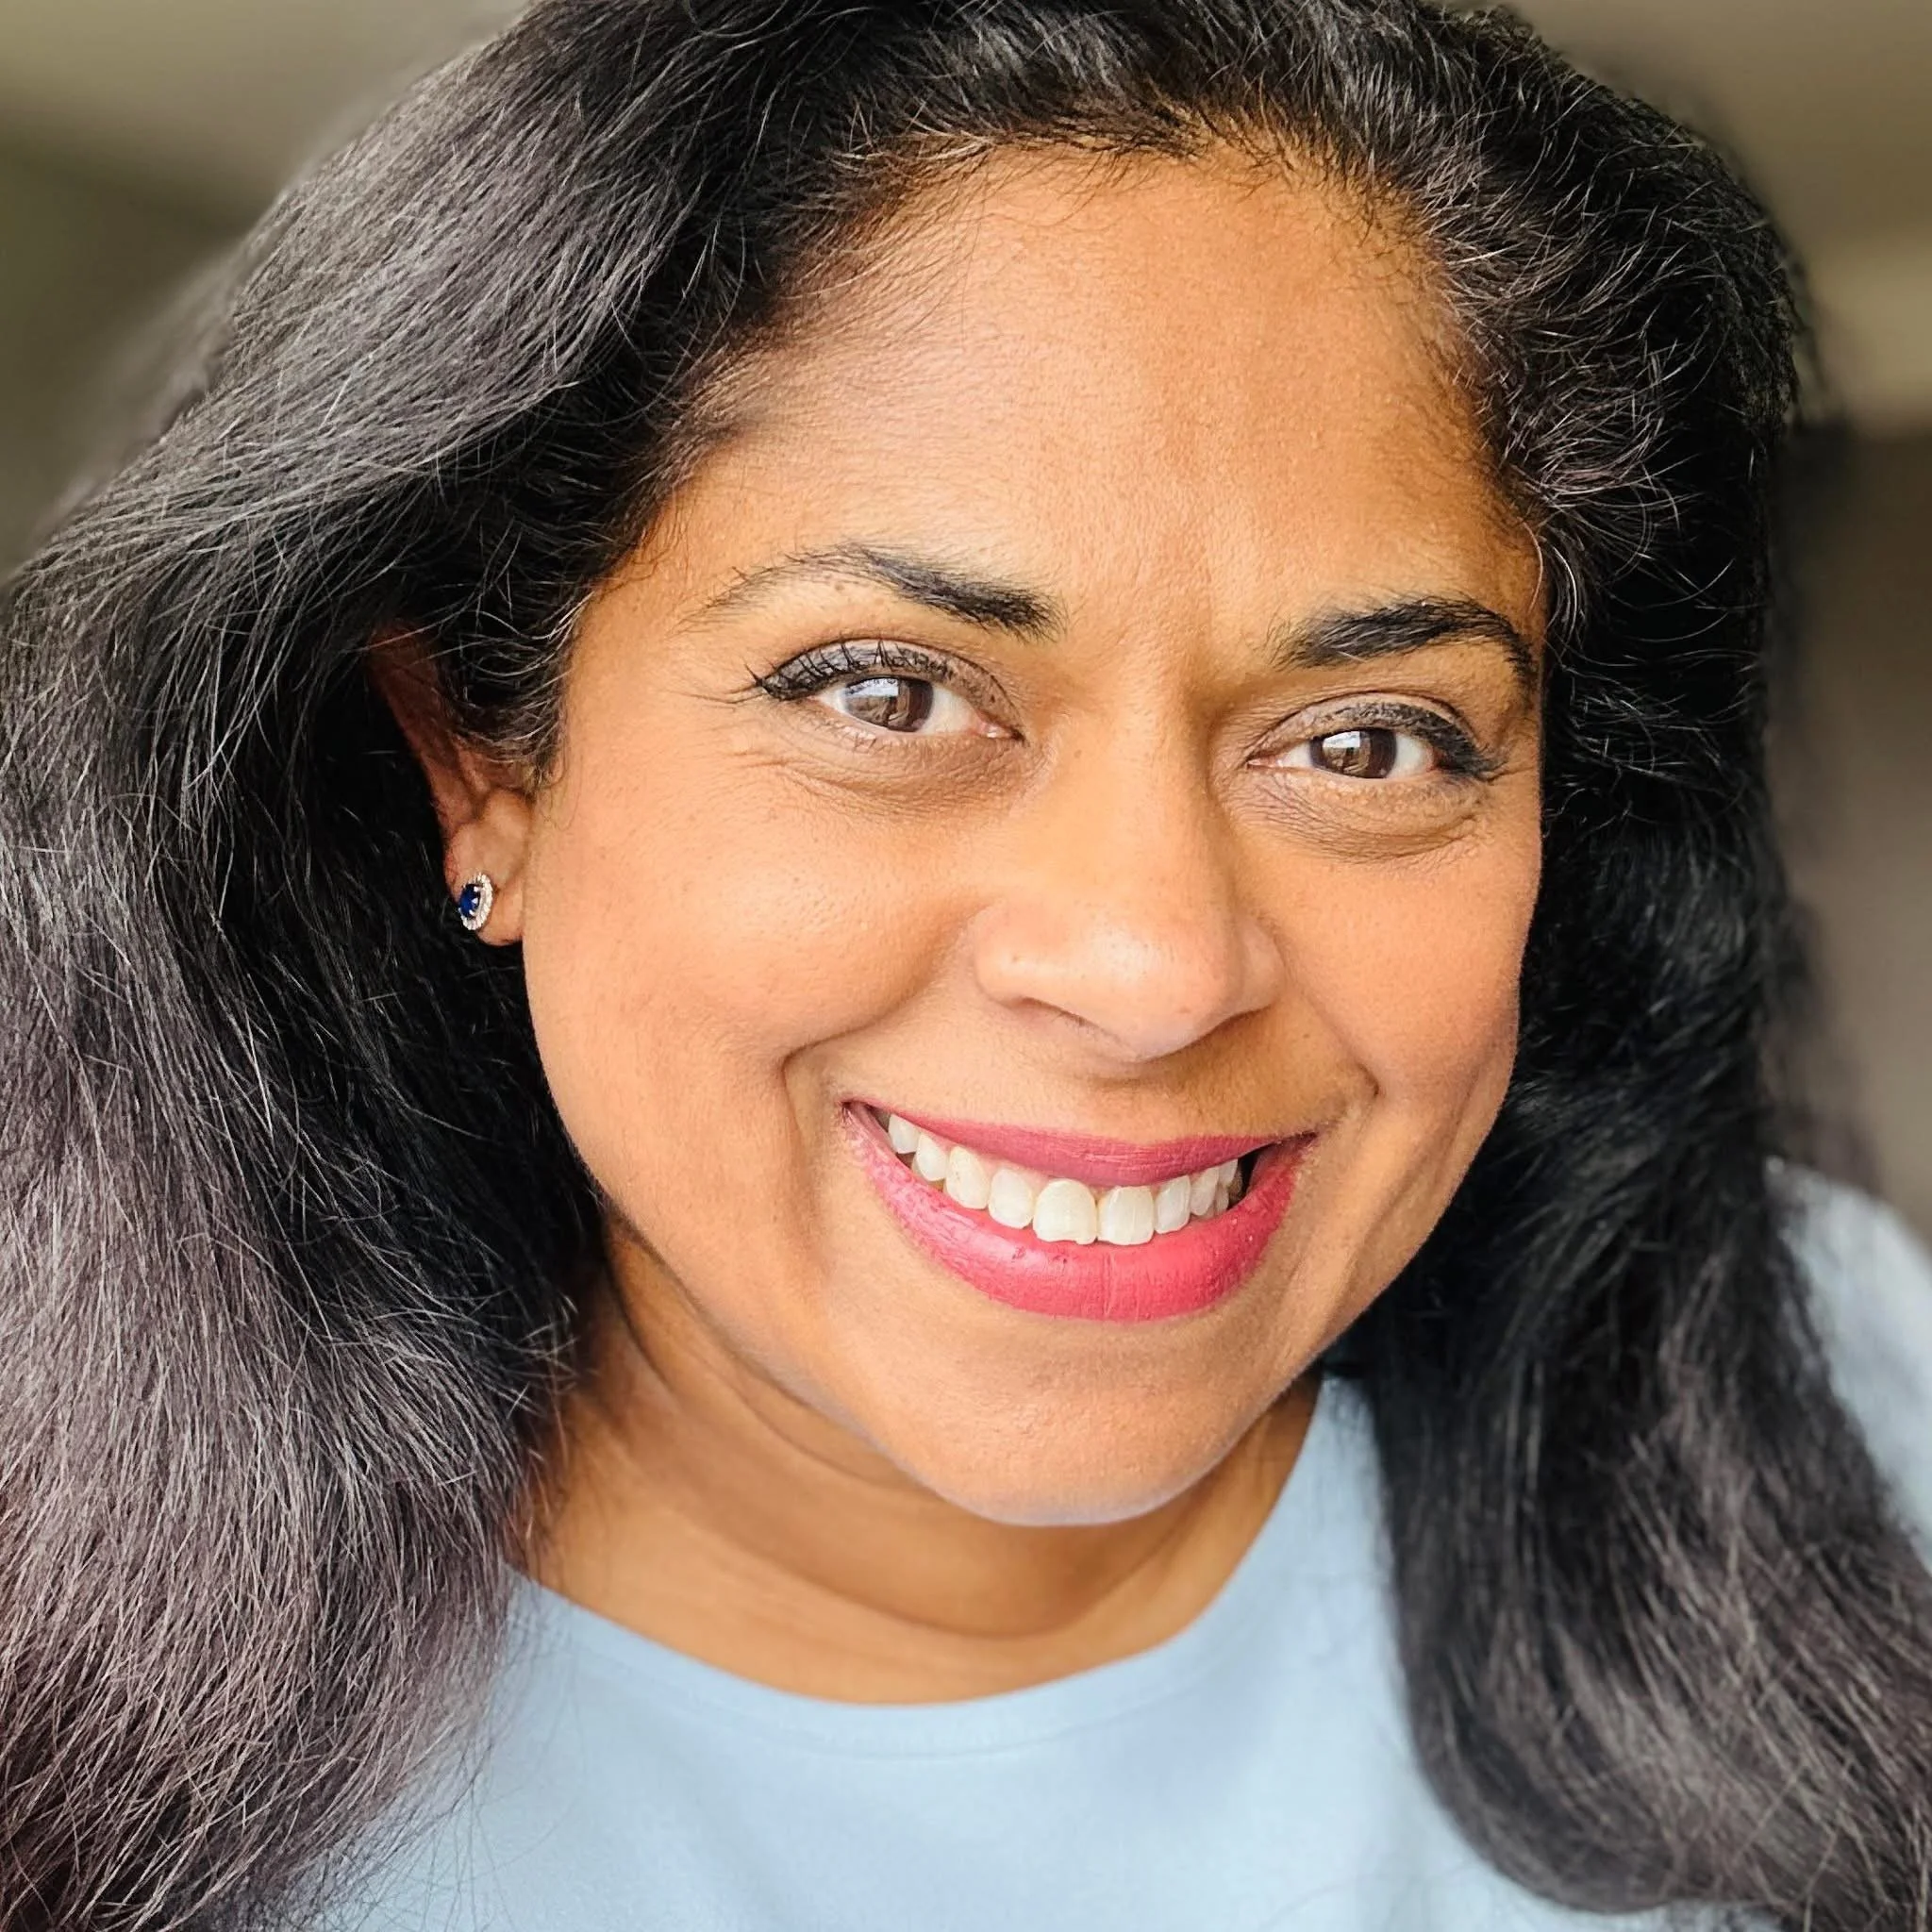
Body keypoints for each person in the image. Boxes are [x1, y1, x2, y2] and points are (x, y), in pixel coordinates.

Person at [2, 1, 1929, 1927]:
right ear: (479, 759)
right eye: (888, 690)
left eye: (1368, 738)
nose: (1153, 965)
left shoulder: (1848, 1389)